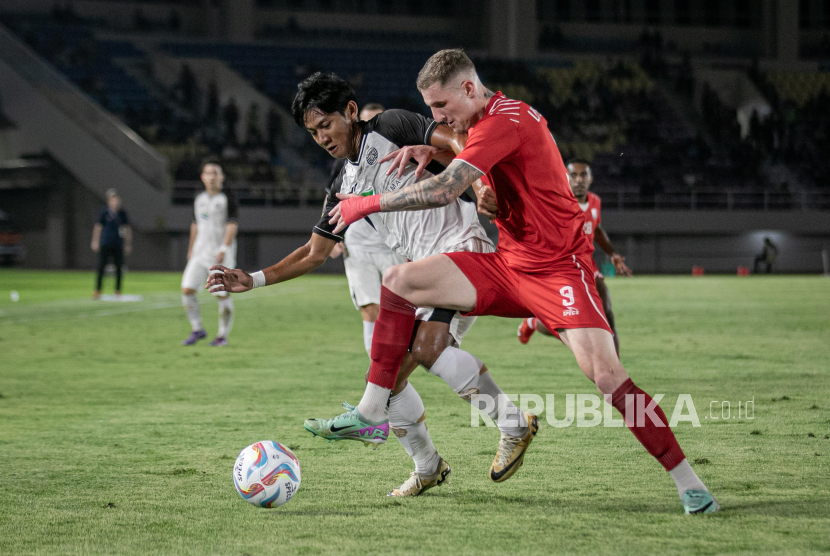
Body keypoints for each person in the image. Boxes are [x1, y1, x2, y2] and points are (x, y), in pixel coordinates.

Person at [323, 49, 718, 514]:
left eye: (441, 107)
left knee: (609, 377)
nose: (437, 117)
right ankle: (373, 408)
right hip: (508, 265)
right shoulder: (477, 121)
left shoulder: (503, 122)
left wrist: (363, 205)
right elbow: (468, 158)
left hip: (558, 270)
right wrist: (436, 146)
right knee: (400, 279)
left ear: (469, 89)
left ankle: (689, 483)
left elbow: (444, 189)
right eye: (430, 109)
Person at [207, 73, 535, 496]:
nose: (321, 138)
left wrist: (479, 181)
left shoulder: (391, 126)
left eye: (325, 125)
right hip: (424, 273)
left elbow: (455, 137)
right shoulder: (342, 185)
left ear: (349, 111)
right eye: (312, 132)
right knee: (394, 376)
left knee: (422, 353)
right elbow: (314, 253)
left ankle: (510, 423)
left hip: (459, 247)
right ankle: (429, 464)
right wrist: (251, 279)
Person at [517, 159, 632, 354]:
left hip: (587, 266)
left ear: (591, 178)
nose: (579, 180)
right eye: (574, 175)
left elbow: (596, 229)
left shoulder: (594, 201)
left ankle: (618, 376)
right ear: (566, 177)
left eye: (583, 175)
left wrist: (612, 253)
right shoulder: (556, 201)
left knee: (608, 313)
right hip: (561, 268)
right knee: (566, 323)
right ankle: (534, 323)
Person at [326, 102, 408, 357]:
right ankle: (377, 376)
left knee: (399, 311)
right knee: (370, 309)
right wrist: (332, 235)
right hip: (358, 244)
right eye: (365, 121)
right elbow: (332, 197)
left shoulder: (402, 154)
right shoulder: (345, 160)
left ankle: (395, 372)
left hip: (394, 242)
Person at [181, 158, 238, 347]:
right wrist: (190, 250)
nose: (212, 177)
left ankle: (222, 336)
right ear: (202, 177)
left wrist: (224, 248)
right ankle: (197, 329)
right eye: (208, 173)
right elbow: (195, 224)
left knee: (221, 294)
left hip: (219, 255)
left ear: (222, 177)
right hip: (199, 253)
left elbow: (231, 225)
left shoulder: (227, 198)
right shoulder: (199, 199)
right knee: (187, 289)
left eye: (215, 173)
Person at [91, 189, 131, 299]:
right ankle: (97, 290)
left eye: (116, 199)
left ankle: (117, 290)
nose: (115, 202)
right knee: (101, 267)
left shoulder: (122, 213)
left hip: (118, 244)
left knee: (119, 268)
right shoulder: (104, 213)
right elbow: (98, 227)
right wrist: (95, 241)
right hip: (106, 243)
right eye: (112, 200)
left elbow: (127, 229)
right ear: (109, 201)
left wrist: (127, 243)